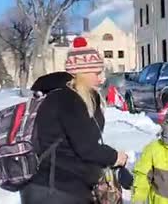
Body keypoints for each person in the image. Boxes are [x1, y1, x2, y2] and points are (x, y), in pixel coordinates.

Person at [20, 37, 129, 204]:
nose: (101, 79)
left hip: (42, 188)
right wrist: (116, 157)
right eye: (97, 73)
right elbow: (86, 148)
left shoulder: (55, 96)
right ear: (82, 72)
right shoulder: (70, 100)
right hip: (59, 190)